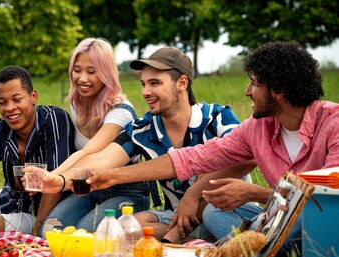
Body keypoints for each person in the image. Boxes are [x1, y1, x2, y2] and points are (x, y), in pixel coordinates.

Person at [85, 41, 339, 257]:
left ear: (278, 91)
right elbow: (194, 157)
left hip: (325, 228)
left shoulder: (333, 123)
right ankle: (245, 251)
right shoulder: (258, 128)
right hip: (282, 218)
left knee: (296, 229)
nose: (247, 92)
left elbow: (327, 204)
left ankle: (247, 253)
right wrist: (114, 176)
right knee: (215, 211)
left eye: (255, 84)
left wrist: (255, 193)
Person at [29, 47, 251, 242]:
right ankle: (189, 238)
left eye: (155, 83)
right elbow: (101, 159)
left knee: (213, 213)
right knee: (126, 228)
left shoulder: (218, 117)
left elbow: (247, 156)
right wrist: (59, 180)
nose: (145, 92)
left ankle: (189, 237)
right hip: (174, 215)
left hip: (224, 207)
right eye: (143, 84)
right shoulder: (143, 129)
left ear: (182, 83)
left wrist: (194, 193)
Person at [41, 38, 149, 234]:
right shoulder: (78, 104)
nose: (82, 78)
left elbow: (89, 153)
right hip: (87, 189)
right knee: (50, 230)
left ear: (106, 73)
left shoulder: (121, 112)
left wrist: (53, 177)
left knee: (85, 233)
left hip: (126, 192)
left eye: (92, 72)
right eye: (77, 70)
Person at [0, 65, 75, 235]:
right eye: (2, 102)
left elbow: (55, 179)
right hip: (12, 199)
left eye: (17, 99)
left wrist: (38, 225)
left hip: (49, 206)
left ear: (33, 97)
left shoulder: (54, 119)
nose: (9, 108)